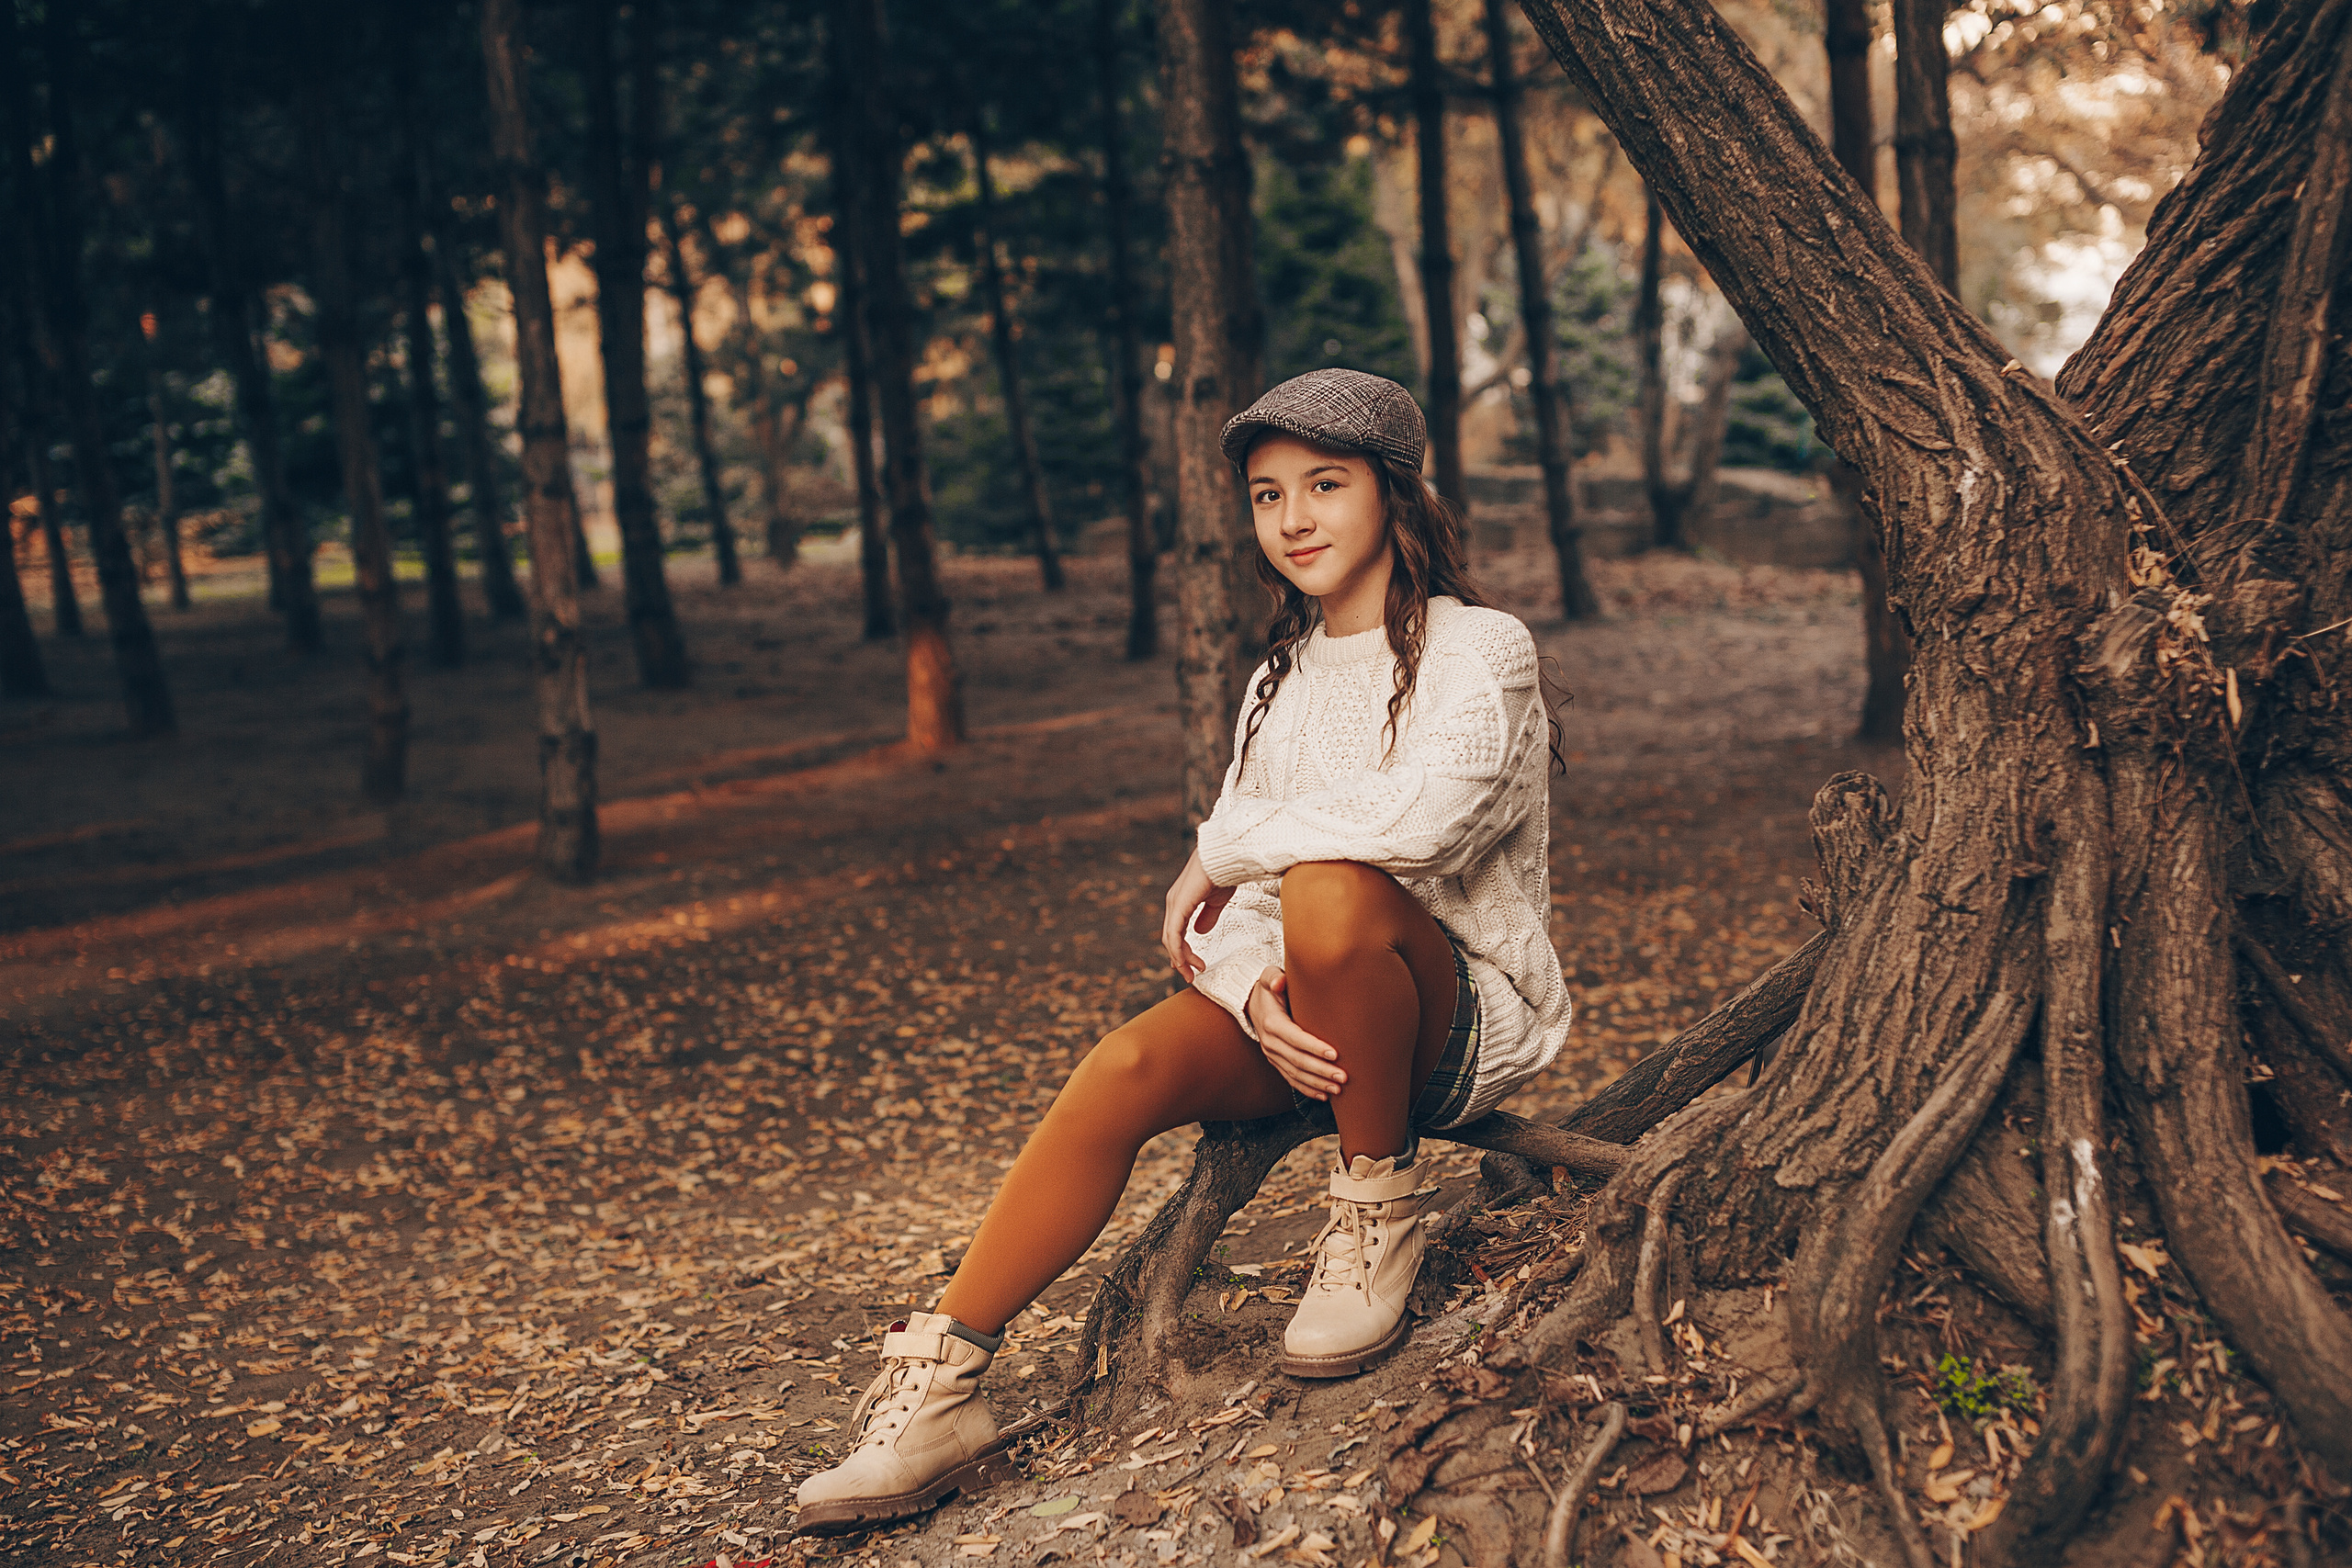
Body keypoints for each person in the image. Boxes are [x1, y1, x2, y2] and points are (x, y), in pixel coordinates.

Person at [793, 368, 1571, 1536]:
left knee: (1326, 884)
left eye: (1325, 485)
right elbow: (1227, 917)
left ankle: (1374, 1211)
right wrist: (1250, 989)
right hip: (1312, 1017)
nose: (1293, 519)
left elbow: (1419, 827)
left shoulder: (1483, 650)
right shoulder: (1279, 680)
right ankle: (941, 1387)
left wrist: (1219, 849)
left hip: (1454, 1023)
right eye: (1267, 497)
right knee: (1121, 1071)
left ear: (1396, 495)